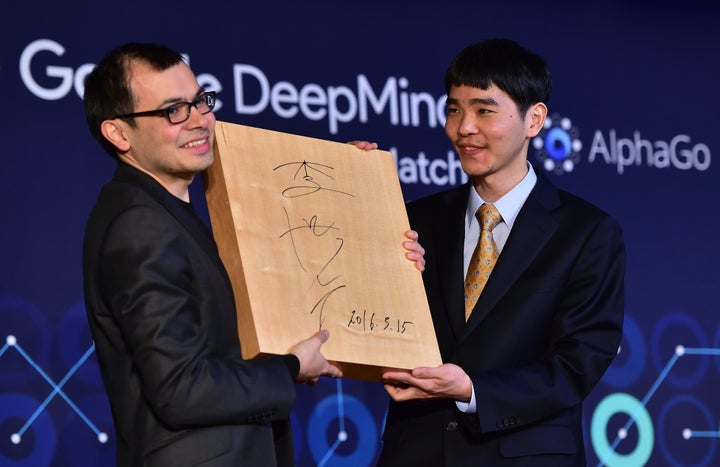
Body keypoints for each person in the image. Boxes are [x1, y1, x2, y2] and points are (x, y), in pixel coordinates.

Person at [81, 43, 425, 467]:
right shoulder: (140, 224)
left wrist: (343, 177)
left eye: (200, 101)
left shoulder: (168, 212)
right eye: (173, 110)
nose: (200, 120)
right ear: (118, 133)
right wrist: (290, 367)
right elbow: (181, 389)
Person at [378, 38, 625, 466]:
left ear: (534, 119)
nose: (464, 127)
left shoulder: (587, 232)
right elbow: (365, 321)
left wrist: (472, 390)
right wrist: (351, 186)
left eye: (484, 110)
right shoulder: (413, 219)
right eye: (454, 109)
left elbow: (575, 365)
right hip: (415, 452)